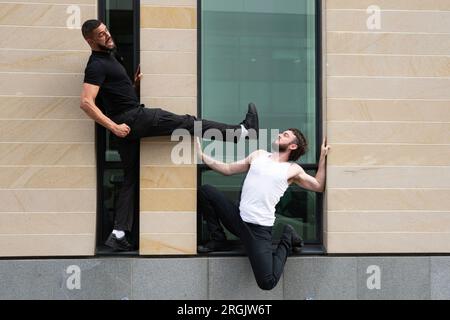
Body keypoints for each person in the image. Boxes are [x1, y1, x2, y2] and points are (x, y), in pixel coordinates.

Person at [79, 19, 259, 251]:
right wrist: (113, 126)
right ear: (90, 40)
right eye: (101, 35)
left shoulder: (109, 58)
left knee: (131, 178)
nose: (107, 35)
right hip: (133, 118)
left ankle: (118, 233)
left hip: (128, 121)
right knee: (187, 123)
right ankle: (242, 132)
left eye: (106, 31)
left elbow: (113, 95)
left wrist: (131, 87)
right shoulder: (95, 65)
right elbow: (86, 102)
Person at [196, 129, 330, 290]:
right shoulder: (258, 155)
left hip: (258, 230)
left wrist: (322, 157)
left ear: (293, 146)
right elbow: (228, 169)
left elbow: (318, 186)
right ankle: (218, 239)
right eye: (282, 133)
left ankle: (287, 236)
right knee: (206, 191)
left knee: (267, 282)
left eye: (285, 135)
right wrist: (202, 155)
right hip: (238, 218)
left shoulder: (293, 169)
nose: (280, 134)